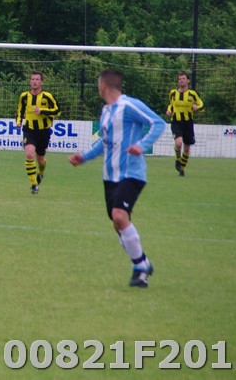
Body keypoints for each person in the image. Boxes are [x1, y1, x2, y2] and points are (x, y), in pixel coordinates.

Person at [68, 69, 166, 288]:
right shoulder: (105, 111)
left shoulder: (129, 105)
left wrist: (142, 145)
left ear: (103, 85)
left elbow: (158, 122)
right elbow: (104, 143)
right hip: (109, 175)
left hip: (131, 173)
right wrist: (84, 157)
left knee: (119, 216)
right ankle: (143, 262)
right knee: (118, 223)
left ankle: (140, 268)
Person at [15, 72, 60, 194]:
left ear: (41, 82)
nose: (34, 81)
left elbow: (57, 111)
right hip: (29, 130)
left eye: (37, 79)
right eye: (32, 79)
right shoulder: (24, 96)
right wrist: (19, 121)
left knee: (40, 159)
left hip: (44, 131)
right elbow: (20, 111)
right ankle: (34, 184)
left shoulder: (47, 96)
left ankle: (41, 172)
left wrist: (42, 111)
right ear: (30, 81)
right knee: (29, 154)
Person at [165, 71, 204, 176]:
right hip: (176, 122)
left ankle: (182, 169)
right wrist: (169, 110)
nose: (181, 80)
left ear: (188, 81)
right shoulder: (173, 93)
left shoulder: (192, 94)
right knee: (179, 143)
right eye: (179, 79)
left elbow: (201, 104)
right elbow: (171, 104)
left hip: (188, 123)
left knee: (186, 149)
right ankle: (178, 159)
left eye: (183, 78)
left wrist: (197, 107)